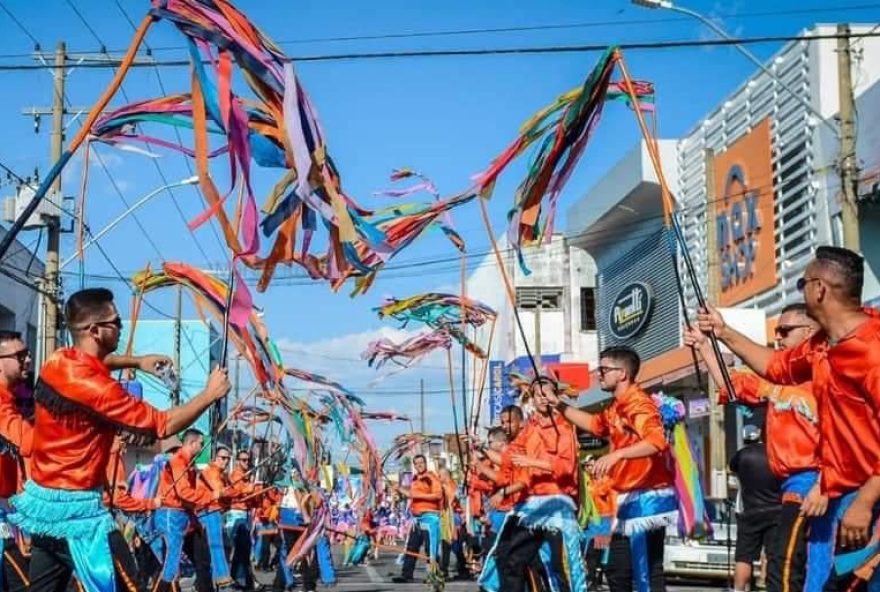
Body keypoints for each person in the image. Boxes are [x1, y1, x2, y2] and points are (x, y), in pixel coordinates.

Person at [8, 287, 230, 592]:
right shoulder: (99, 390)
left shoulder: (58, 360)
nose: (120, 326)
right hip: (81, 519)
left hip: (43, 509)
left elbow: (97, 364)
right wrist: (209, 394)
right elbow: (162, 425)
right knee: (130, 585)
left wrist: (136, 362)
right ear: (95, 330)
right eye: (115, 323)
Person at [696, 246, 880, 591]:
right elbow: (774, 367)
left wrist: (867, 501)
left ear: (820, 289)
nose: (803, 290)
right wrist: (723, 332)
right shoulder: (823, 345)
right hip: (838, 493)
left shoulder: (872, 347)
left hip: (868, 495)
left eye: (803, 283)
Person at [685, 301, 820, 591]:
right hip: (790, 486)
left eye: (785, 330)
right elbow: (730, 384)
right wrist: (705, 347)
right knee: (792, 563)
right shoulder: (776, 378)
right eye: (777, 331)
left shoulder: (825, 372)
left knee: (789, 564)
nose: (778, 336)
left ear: (809, 331)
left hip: (817, 479)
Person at [548, 346, 676, 592]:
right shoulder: (616, 406)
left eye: (604, 369)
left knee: (646, 571)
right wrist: (559, 404)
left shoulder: (638, 404)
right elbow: (594, 424)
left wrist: (617, 454)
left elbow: (657, 441)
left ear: (622, 374)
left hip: (647, 497)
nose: (599, 374)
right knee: (619, 571)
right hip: (629, 498)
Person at [485, 377, 586, 592]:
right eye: (537, 394)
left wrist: (534, 462)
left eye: (546, 393)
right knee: (512, 559)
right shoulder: (528, 430)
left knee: (562, 568)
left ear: (555, 396)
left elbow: (566, 467)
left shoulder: (563, 427)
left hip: (557, 504)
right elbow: (508, 459)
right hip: (532, 507)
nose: (542, 398)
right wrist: (481, 449)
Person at [154, 429, 218, 592]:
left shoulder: (190, 464)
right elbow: (184, 492)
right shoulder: (178, 461)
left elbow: (190, 497)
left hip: (186, 516)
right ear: (192, 443)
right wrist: (210, 497)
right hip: (171, 515)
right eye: (201, 444)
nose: (203, 447)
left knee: (202, 558)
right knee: (172, 562)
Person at [729, 426, 783, 592]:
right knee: (772, 554)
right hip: (776, 510)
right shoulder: (775, 454)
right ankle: (767, 584)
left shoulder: (741, 456)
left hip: (749, 512)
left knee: (744, 557)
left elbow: (732, 470)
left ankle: (739, 589)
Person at [0, 331, 34, 592]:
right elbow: (30, 443)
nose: (28, 360)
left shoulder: (16, 400)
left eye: (27, 353)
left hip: (12, 508)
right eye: (20, 355)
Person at [392, 454, 443, 584]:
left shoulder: (431, 477)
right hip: (417, 519)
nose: (419, 465)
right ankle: (406, 574)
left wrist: (418, 495)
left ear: (425, 463)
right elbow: (411, 495)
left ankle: (434, 575)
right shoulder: (415, 479)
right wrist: (399, 489)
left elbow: (438, 495)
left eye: (421, 462)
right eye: (416, 463)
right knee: (411, 547)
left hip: (429, 518)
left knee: (430, 548)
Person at [196, 446, 237, 590]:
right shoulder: (210, 472)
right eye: (223, 458)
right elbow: (221, 491)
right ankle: (224, 583)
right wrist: (240, 489)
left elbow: (229, 495)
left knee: (224, 547)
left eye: (228, 459)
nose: (226, 461)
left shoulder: (221, 474)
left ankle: (208, 582)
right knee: (217, 548)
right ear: (215, 458)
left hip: (216, 513)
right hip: (208, 513)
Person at [274, 466, 318, 592]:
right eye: (293, 473)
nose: (295, 475)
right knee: (290, 553)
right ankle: (283, 583)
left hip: (299, 522)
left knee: (303, 553)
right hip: (288, 520)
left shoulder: (304, 487)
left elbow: (308, 504)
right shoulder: (285, 487)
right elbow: (278, 504)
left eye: (297, 473)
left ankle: (308, 585)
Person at [228, 449, 257, 590]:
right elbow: (241, 490)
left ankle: (241, 579)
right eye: (243, 460)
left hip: (245, 513)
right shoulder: (236, 475)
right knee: (240, 549)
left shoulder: (246, 475)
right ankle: (240, 580)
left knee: (244, 550)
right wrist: (250, 486)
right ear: (238, 461)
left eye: (248, 460)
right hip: (236, 514)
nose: (247, 462)